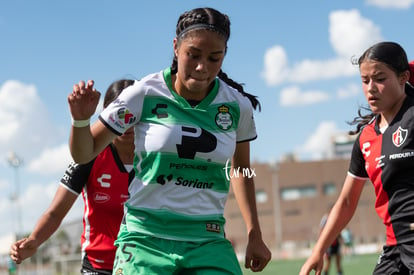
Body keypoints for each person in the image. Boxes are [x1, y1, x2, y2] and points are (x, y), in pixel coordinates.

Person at [67, 7, 271, 274]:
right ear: (176, 47)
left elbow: (241, 169)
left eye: (214, 58)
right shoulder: (143, 94)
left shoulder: (236, 106)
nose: (202, 67)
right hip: (145, 238)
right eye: (193, 55)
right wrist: (80, 121)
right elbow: (84, 154)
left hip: (207, 238)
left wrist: (254, 232)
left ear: (224, 56)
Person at [299, 41, 414, 275]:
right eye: (365, 80)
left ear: (403, 78)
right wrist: (317, 251)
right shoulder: (366, 137)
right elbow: (347, 202)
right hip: (395, 248)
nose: (371, 88)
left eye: (380, 79)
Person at [10, 79, 135, 275]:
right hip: (98, 267)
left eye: (132, 113)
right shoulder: (90, 156)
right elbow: (55, 213)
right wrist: (34, 240)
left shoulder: (160, 155)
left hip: (145, 265)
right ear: (106, 115)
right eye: (118, 112)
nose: (126, 121)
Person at [319, 207, 343, 275]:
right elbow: (321, 230)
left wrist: (341, 238)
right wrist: (322, 243)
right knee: (328, 263)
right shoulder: (325, 219)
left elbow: (339, 229)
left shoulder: (337, 217)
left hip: (336, 243)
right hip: (328, 244)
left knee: (338, 263)